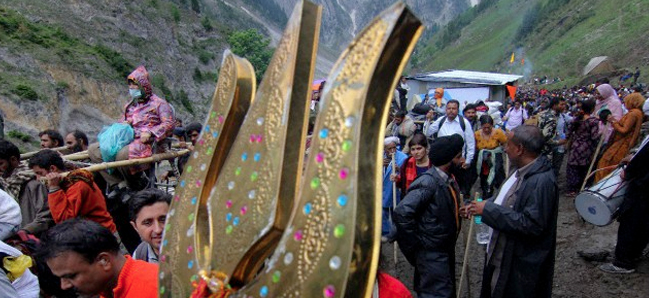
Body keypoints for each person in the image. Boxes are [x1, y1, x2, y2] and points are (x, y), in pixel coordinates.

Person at [466, 125, 558, 298]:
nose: (505, 149)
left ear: (520, 149)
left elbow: (532, 224)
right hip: (503, 255)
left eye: (508, 144)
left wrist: (488, 210)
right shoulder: (519, 171)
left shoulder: (541, 182)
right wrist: (483, 204)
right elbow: (506, 197)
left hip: (519, 263)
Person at [393, 134, 465, 298]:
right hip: (431, 256)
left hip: (443, 251)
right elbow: (402, 213)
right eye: (458, 157)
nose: (462, 161)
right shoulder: (428, 183)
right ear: (448, 161)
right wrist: (416, 247)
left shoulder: (446, 180)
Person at [88, 65, 175, 191]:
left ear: (143, 85)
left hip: (147, 142)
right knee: (94, 150)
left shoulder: (159, 104)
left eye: (134, 85)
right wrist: (122, 126)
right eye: (130, 85)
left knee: (122, 155)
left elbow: (169, 124)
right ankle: (118, 183)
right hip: (126, 139)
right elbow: (122, 121)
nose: (131, 88)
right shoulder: (130, 105)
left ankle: (135, 183)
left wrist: (151, 132)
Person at [37, 219, 159, 298]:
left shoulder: (156, 289)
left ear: (104, 261)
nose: (64, 286)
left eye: (71, 276)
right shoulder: (107, 289)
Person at [28, 149, 117, 233]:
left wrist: (54, 189)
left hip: (98, 233)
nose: (38, 178)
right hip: (86, 230)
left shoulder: (77, 184)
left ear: (52, 169)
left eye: (40, 173)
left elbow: (64, 220)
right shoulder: (65, 180)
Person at [599, 137, 649, 273]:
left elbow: (642, 160)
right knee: (643, 224)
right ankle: (634, 253)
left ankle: (623, 263)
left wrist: (628, 172)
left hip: (643, 189)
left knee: (632, 222)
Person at [0, 140, 53, 237]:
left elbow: (45, 216)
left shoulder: (33, 183)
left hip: (33, 239)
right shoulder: (4, 182)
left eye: (0, 163)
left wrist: (24, 231)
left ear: (13, 160)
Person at [425, 99, 476, 196]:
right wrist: (428, 120)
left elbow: (470, 143)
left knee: (458, 189)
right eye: (449, 108)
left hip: (458, 164)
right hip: (442, 163)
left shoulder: (464, 123)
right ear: (446, 110)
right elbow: (427, 133)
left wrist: (468, 160)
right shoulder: (441, 121)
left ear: (458, 110)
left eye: (454, 108)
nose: (451, 111)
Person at [595, 92, 645, 182]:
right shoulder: (637, 113)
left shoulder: (633, 114)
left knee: (605, 163)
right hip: (623, 143)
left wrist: (612, 122)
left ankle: (601, 183)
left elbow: (624, 130)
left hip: (622, 144)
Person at [565, 99, 600, 196]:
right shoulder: (593, 121)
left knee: (573, 168)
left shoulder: (576, 119)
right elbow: (594, 136)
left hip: (575, 147)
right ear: (592, 109)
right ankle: (582, 187)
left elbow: (568, 133)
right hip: (586, 148)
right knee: (584, 168)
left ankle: (571, 189)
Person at [129, 188, 171, 263]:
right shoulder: (139, 257)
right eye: (148, 223)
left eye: (163, 220)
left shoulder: (195, 247)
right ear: (135, 227)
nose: (158, 230)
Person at [474, 115, 507, 198]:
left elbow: (505, 143)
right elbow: (474, 147)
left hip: (495, 155)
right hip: (483, 158)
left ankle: (500, 194)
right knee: (484, 176)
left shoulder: (498, 132)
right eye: (484, 127)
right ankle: (486, 193)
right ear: (481, 126)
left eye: (489, 127)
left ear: (492, 126)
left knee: (497, 172)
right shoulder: (476, 134)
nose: (486, 130)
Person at [381, 136, 408, 240]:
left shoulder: (403, 158)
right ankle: (386, 232)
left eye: (394, 148)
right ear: (384, 149)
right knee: (383, 211)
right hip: (384, 191)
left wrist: (399, 169)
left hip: (394, 191)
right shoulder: (380, 157)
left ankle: (398, 233)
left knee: (396, 212)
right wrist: (379, 165)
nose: (392, 151)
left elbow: (407, 173)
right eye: (389, 149)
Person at [390, 133, 432, 198]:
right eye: (413, 149)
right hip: (411, 200)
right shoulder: (407, 162)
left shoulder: (433, 163)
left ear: (425, 148)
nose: (416, 152)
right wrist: (396, 179)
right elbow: (403, 183)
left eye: (419, 148)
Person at [537, 97, 566, 176]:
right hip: (547, 150)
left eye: (564, 104)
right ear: (554, 105)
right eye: (561, 104)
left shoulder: (543, 113)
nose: (564, 106)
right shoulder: (551, 118)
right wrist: (559, 142)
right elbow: (546, 138)